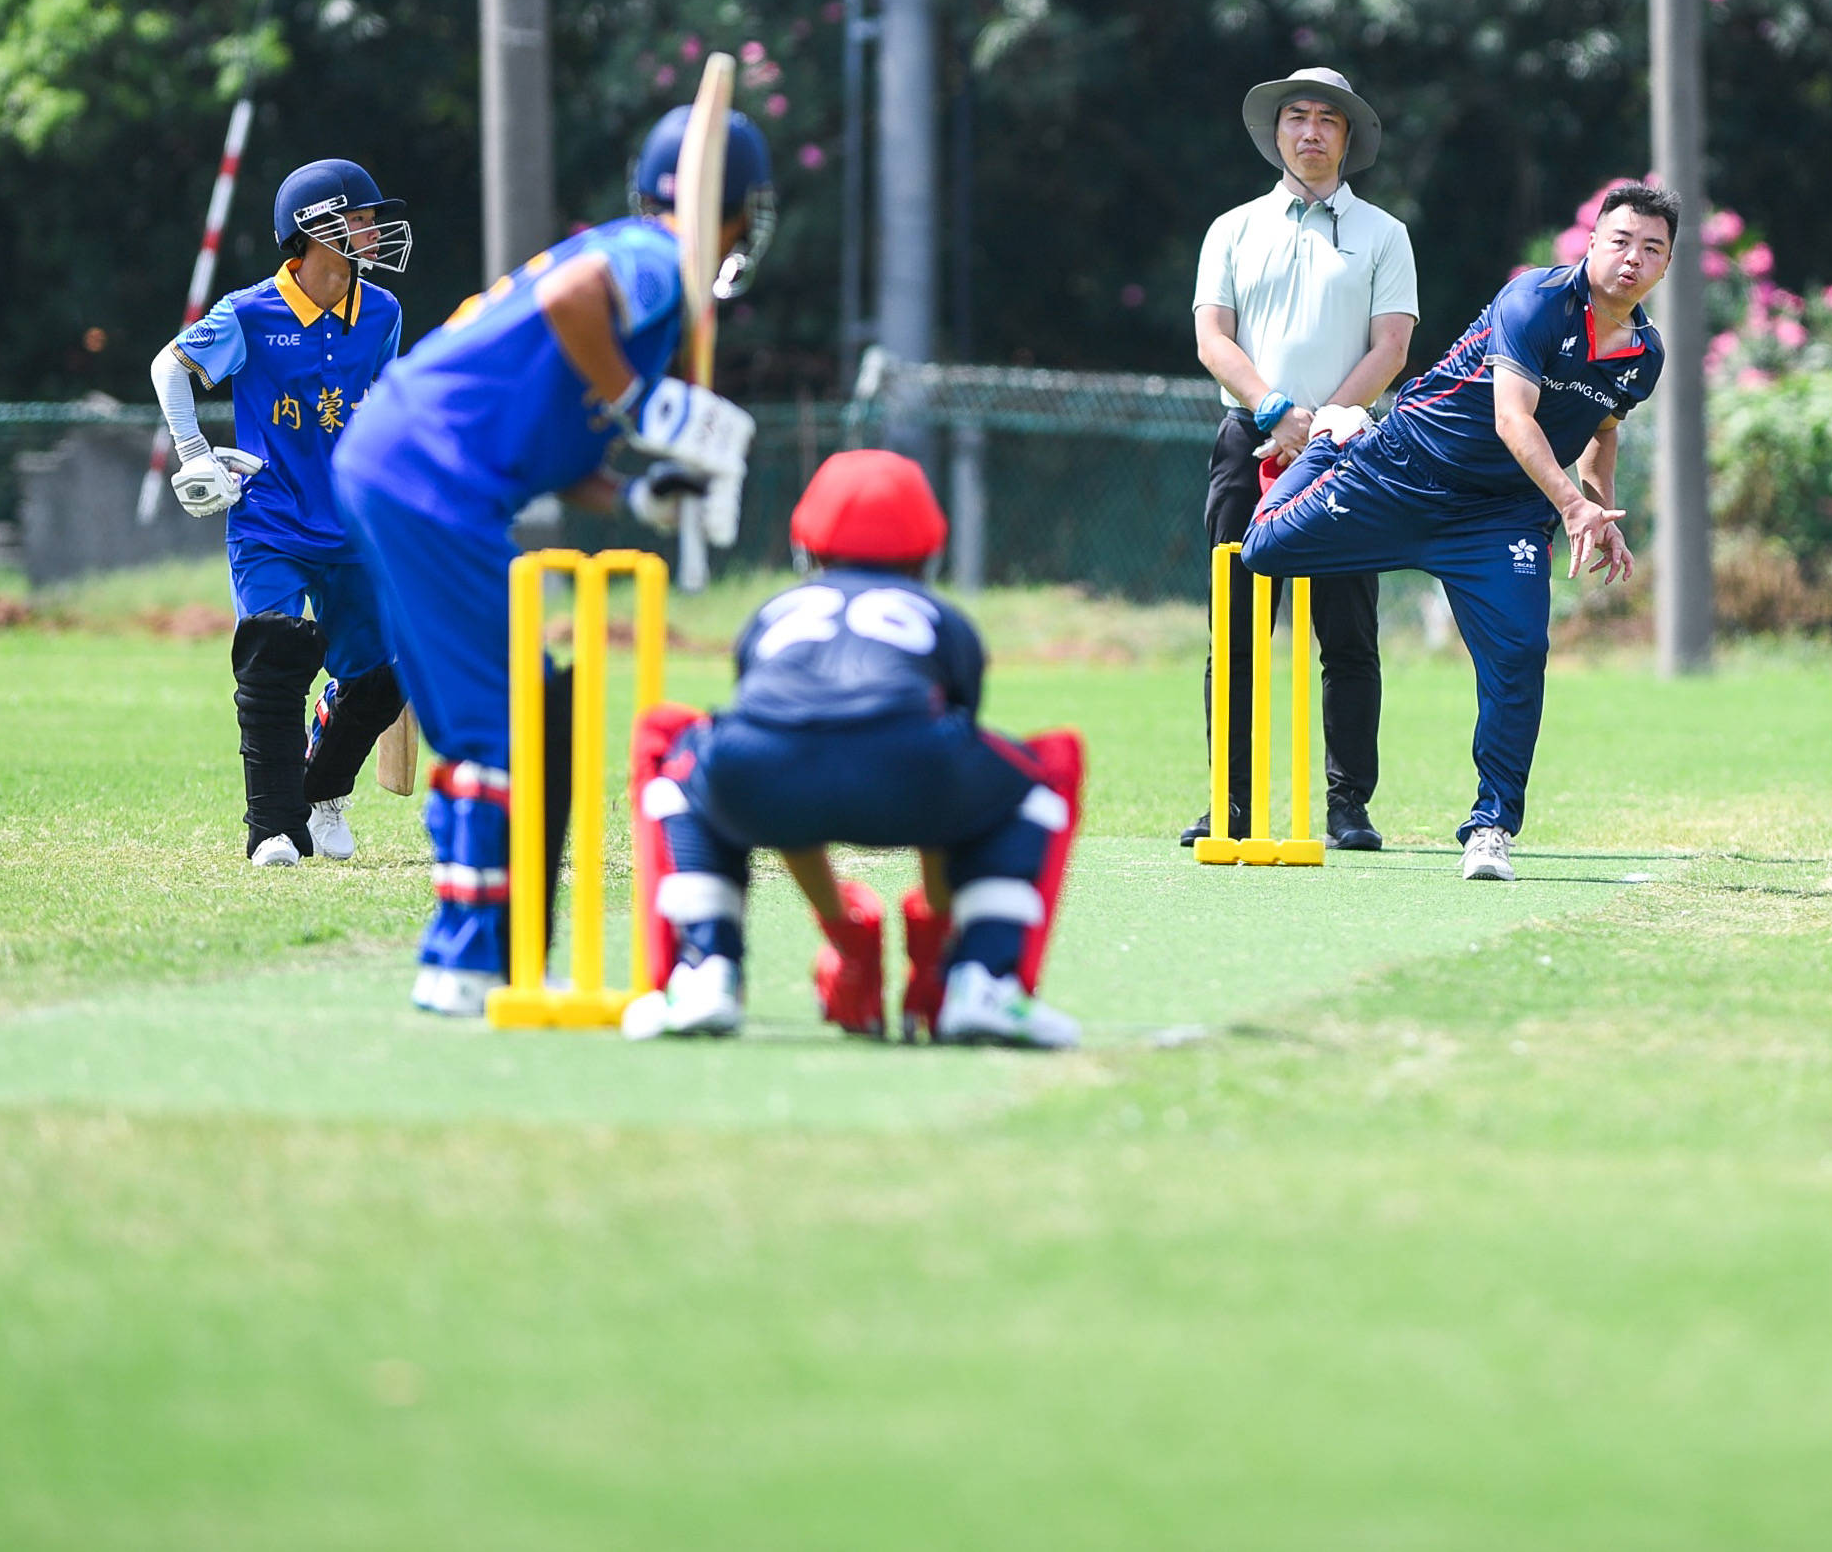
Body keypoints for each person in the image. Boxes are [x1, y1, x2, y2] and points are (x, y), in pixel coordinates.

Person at [333, 110, 769, 1017]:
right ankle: (469, 960)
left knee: (506, 711)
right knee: (510, 719)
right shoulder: (656, 254)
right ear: (731, 207)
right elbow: (573, 298)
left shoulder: (647, 288)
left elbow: (560, 449)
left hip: (408, 463)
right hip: (432, 475)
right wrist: (647, 405)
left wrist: (639, 497)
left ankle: (474, 954)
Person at [1242, 179, 1675, 881]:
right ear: (1592, 242)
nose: (1633, 258)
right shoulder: (1535, 300)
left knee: (1521, 653)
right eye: (1621, 240)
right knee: (1264, 550)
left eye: (1652, 248)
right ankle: (1333, 436)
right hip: (1404, 469)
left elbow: (1601, 428)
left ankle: (1491, 826)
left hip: (1500, 517)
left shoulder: (1644, 355)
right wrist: (1571, 506)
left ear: (1667, 265)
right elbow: (1512, 417)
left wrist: (1601, 508)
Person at [624, 449, 1086, 1049]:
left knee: (670, 742)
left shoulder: (773, 612)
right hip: (912, 770)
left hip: (761, 774)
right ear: (928, 550)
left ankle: (701, 970)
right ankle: (986, 980)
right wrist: (932, 943)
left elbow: (788, 753)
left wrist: (843, 930)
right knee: (1049, 765)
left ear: (807, 548)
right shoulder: (941, 616)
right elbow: (948, 790)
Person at [150, 159, 410, 867]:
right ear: (316, 228)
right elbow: (170, 366)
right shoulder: (250, 312)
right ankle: (273, 829)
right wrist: (194, 451)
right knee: (273, 653)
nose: (375, 230)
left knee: (379, 680)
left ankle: (323, 797)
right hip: (270, 518)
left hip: (353, 523)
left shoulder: (382, 313)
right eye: (361, 218)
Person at [1187, 67, 1418, 849]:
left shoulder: (1383, 233)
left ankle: (1348, 807)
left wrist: (1321, 425)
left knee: (1347, 633)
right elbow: (1213, 338)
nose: (1311, 131)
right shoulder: (1233, 228)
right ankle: (1232, 802)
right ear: (1276, 131)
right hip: (1248, 440)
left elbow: (1392, 346)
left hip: (1347, 449)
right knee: (1238, 629)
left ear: (1348, 137)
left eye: (1328, 118)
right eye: (1297, 116)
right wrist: (1275, 410)